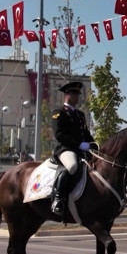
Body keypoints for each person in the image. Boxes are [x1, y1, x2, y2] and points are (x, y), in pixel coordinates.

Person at [50, 81, 97, 216]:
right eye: (74, 93)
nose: (77, 97)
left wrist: (95, 145)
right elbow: (59, 135)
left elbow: (86, 134)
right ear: (66, 95)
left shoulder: (80, 115)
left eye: (78, 94)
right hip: (65, 149)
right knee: (72, 166)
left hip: (81, 150)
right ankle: (58, 199)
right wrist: (78, 145)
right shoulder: (59, 112)